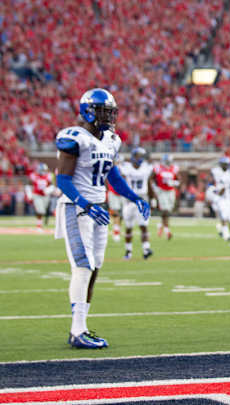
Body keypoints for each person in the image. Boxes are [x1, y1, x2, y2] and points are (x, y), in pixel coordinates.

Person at [54, 88, 150, 348]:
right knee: (83, 265)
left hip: (98, 208)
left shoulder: (110, 140)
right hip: (76, 207)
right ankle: (77, 331)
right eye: (103, 111)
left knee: (95, 267)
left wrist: (134, 197)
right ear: (88, 111)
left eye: (110, 112)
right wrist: (84, 204)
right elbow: (63, 180)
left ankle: (81, 327)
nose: (108, 117)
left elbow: (113, 176)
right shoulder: (75, 138)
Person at [120, 147, 155, 260]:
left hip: (142, 199)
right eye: (138, 155)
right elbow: (121, 179)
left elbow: (149, 183)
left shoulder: (146, 168)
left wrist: (152, 199)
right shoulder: (126, 167)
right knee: (128, 227)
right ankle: (128, 251)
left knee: (143, 226)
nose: (139, 158)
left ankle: (146, 249)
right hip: (129, 200)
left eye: (141, 156)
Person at [153, 154, 179, 240]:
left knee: (169, 210)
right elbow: (152, 178)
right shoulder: (158, 168)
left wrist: (174, 183)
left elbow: (178, 179)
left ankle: (160, 225)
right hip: (162, 191)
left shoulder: (174, 168)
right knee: (165, 210)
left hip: (170, 191)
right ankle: (167, 231)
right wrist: (155, 188)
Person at [28, 162, 54, 229]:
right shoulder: (34, 175)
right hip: (37, 195)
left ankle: (40, 224)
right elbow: (29, 185)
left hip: (45, 195)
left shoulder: (48, 176)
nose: (43, 171)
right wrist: (29, 194)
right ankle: (39, 226)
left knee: (43, 211)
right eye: (42, 170)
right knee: (40, 210)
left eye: (44, 170)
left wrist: (48, 190)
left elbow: (51, 185)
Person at [211, 156, 230, 239]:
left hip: (228, 196)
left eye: (225, 164)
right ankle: (226, 234)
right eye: (223, 164)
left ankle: (220, 226)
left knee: (228, 216)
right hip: (220, 196)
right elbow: (211, 182)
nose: (224, 165)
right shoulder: (216, 171)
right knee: (223, 215)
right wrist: (213, 189)